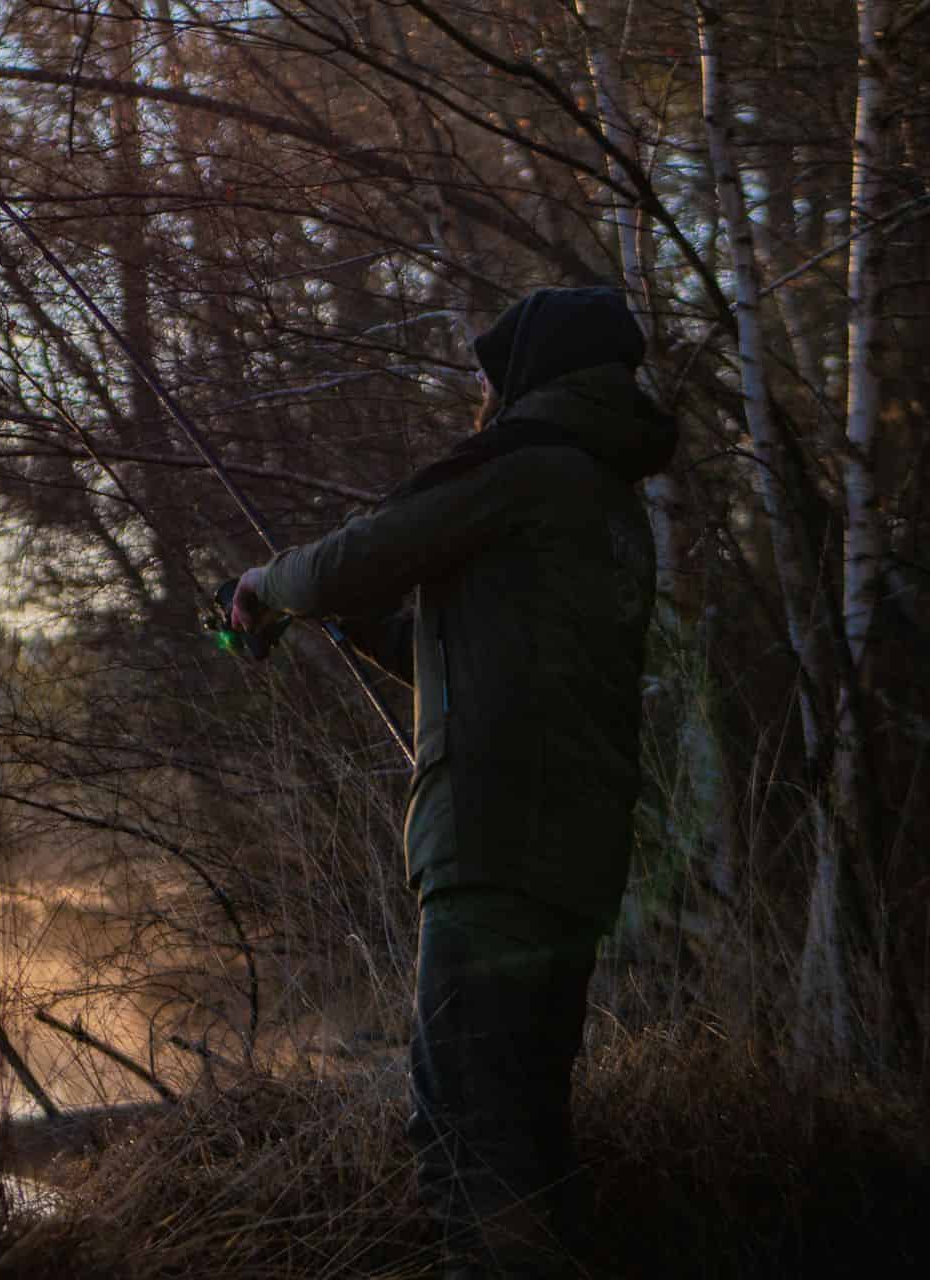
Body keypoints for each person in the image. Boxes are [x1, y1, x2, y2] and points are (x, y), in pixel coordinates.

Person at [227, 287, 677, 1278]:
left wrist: (266, 590)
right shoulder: (609, 502)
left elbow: (360, 553)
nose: (477, 393)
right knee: (530, 1136)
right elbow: (489, 661)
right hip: (572, 868)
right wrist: (363, 626)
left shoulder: (525, 469)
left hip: (494, 853)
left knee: (466, 1146)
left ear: (532, 375)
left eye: (488, 373)